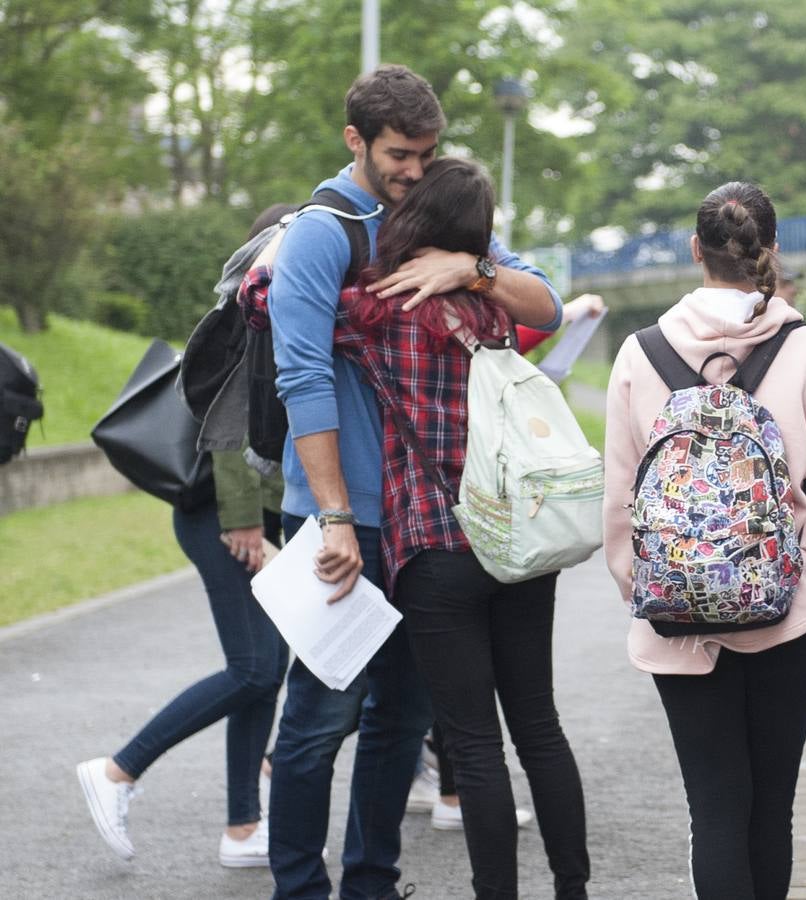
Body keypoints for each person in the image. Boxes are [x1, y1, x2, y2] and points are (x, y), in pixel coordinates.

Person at [265, 65, 562, 900]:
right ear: (355, 140)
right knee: (321, 718)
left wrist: (469, 270)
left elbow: (547, 304)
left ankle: (371, 882)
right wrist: (332, 516)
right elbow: (302, 380)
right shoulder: (322, 232)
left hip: (422, 520)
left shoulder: (434, 213)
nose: (415, 170)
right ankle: (298, 887)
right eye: (400, 153)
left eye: (428, 152)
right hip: (343, 515)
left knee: (401, 718)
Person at [602, 180, 806, 899]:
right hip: (787, 612)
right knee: (771, 808)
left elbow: (619, 500)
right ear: (772, 251)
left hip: (675, 619)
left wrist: (660, 588)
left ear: (695, 251)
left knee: (715, 806)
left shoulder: (640, 354)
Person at [327, 156, 588, 899]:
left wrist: (298, 230)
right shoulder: (495, 307)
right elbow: (550, 306)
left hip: (435, 547)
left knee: (473, 746)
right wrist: (476, 266)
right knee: (539, 727)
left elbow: (262, 299)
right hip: (518, 541)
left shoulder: (378, 303)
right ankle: (574, 888)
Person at [75, 204, 293, 869]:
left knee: (264, 669)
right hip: (221, 515)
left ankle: (240, 830)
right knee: (255, 667)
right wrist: (244, 521)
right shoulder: (249, 313)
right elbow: (229, 415)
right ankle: (117, 771)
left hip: (248, 513)